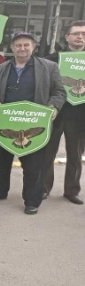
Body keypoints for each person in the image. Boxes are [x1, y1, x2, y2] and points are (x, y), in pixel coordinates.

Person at [0, 31, 66, 215]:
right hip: (6, 125)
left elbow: (59, 92)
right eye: (18, 45)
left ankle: (32, 200)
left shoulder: (49, 67)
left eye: (26, 45)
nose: (22, 48)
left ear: (33, 47)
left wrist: (53, 107)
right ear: (12, 47)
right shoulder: (0, 69)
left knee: (33, 165)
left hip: (33, 125)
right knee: (1, 161)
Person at [43, 21, 85, 205]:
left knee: (75, 155)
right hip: (56, 112)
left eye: (83, 34)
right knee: (47, 153)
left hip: (80, 115)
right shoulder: (53, 58)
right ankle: (43, 188)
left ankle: (72, 190)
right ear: (67, 36)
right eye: (76, 33)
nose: (80, 37)